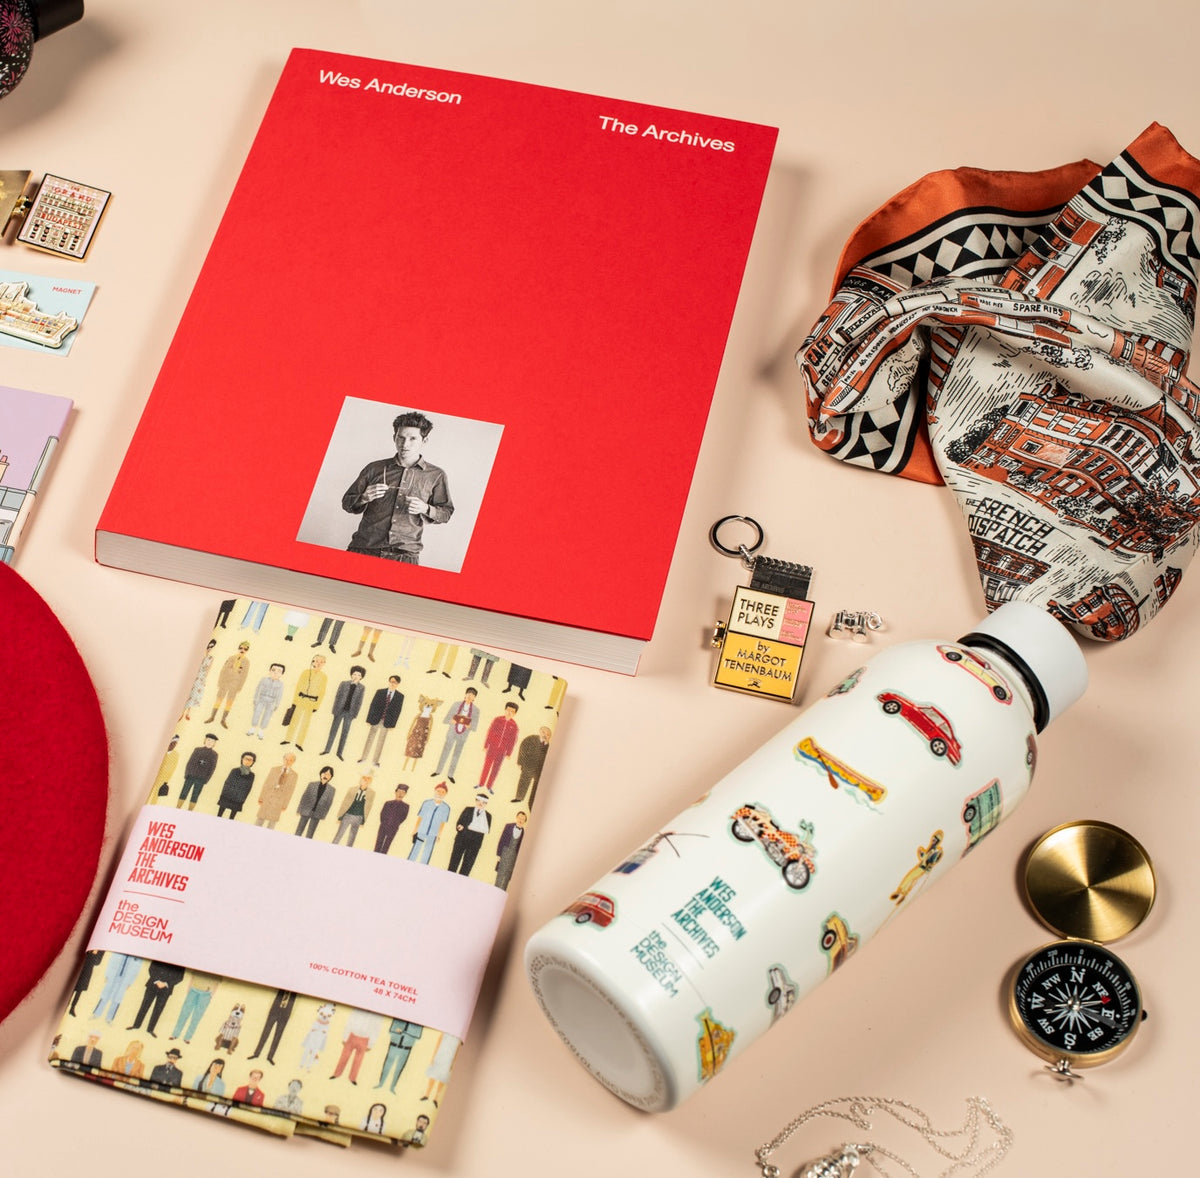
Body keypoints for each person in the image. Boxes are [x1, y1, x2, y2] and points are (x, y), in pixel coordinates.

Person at [342, 411, 454, 563]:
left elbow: (446, 513)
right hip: (363, 549)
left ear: (424, 440)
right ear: (394, 437)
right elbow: (346, 503)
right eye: (401, 437)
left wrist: (425, 508)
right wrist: (363, 498)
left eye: (412, 438)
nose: (405, 444)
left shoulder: (436, 475)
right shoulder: (373, 468)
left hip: (405, 556)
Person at [448, 793, 491, 875]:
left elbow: (486, 830)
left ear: (486, 804)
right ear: (476, 801)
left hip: (474, 845)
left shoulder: (488, 816)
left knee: (467, 867)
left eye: (483, 802)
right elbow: (459, 822)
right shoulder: (468, 810)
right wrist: (459, 827)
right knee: (453, 863)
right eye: (479, 801)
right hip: (461, 840)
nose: (481, 804)